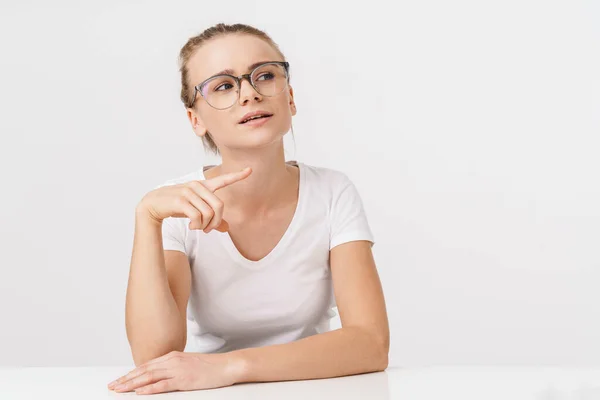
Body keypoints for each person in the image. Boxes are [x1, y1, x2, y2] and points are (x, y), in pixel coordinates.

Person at [108, 23, 389, 395]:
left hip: (314, 386)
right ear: (196, 120)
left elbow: (370, 344)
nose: (249, 94)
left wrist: (231, 366)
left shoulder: (333, 192)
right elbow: (154, 355)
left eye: (265, 76)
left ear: (289, 97)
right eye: (223, 86)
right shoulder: (176, 204)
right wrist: (147, 219)